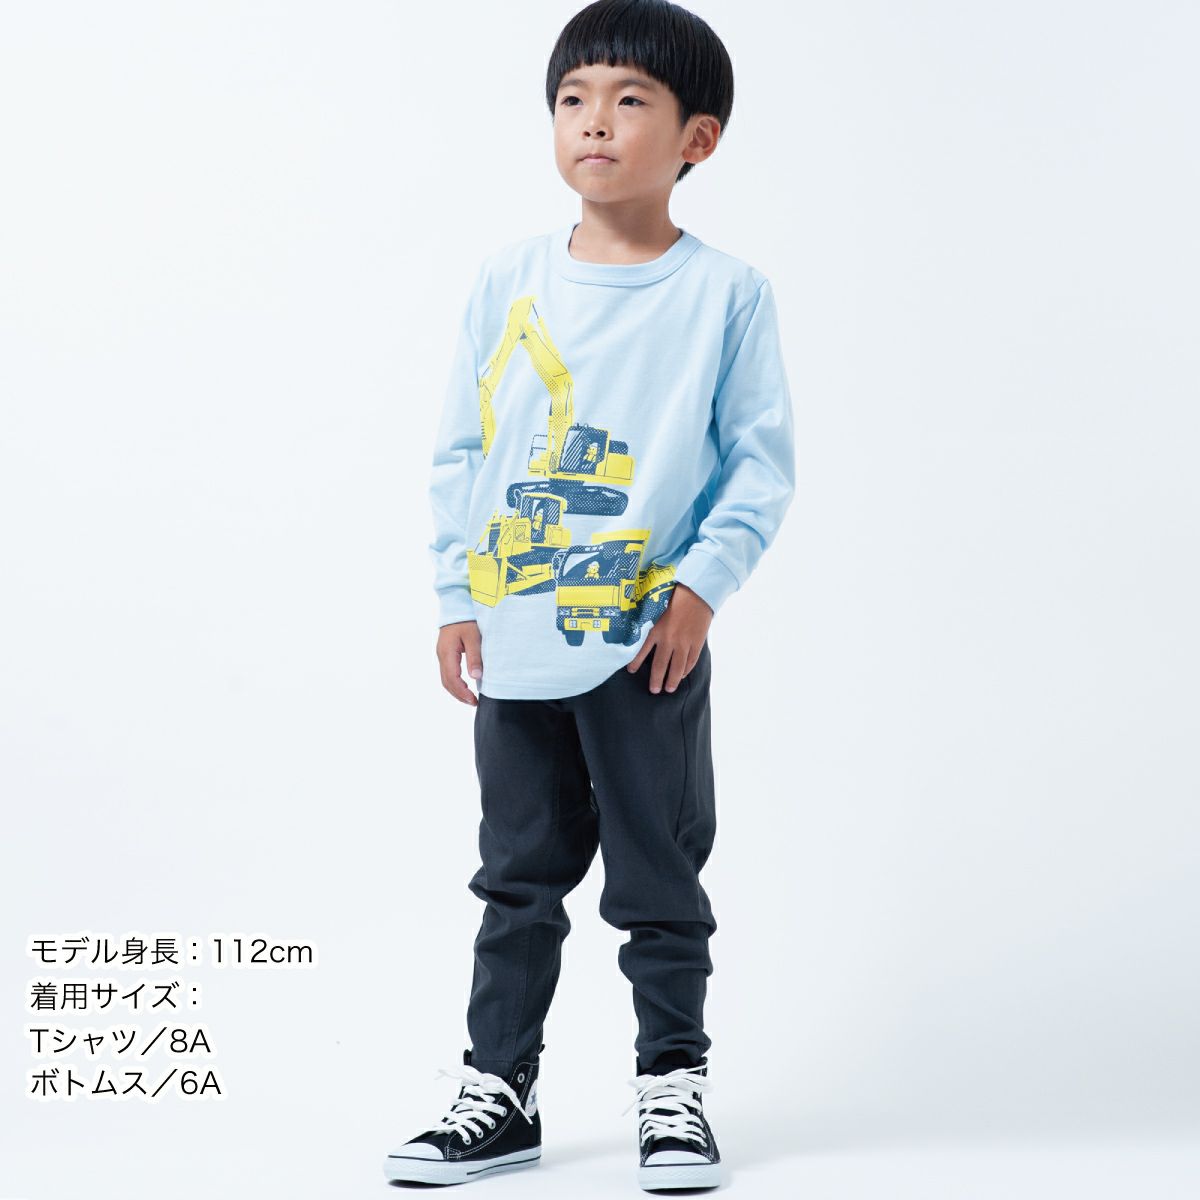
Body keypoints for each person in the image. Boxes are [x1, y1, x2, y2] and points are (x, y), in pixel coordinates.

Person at [383, 0, 795, 1190]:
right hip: (514, 638)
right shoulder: (507, 281)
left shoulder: (726, 295)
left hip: (643, 643)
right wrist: (456, 593)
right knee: (517, 879)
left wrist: (701, 591)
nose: (594, 122)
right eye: (573, 99)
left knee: (659, 878)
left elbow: (759, 464)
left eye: (628, 100)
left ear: (696, 139)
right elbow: (461, 449)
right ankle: (498, 1093)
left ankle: (674, 1087)